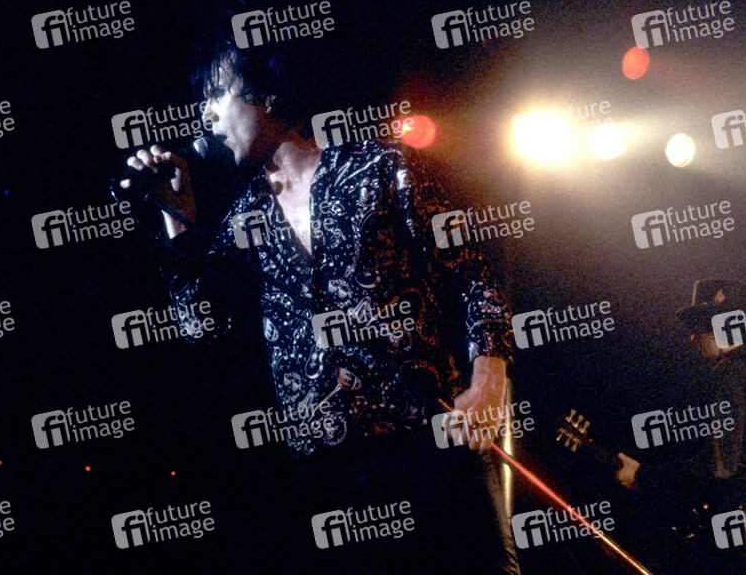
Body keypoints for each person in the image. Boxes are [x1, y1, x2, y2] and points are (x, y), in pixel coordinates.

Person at [125, 32, 519, 573]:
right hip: (329, 477)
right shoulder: (245, 220)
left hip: (428, 442)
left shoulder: (382, 168)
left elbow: (476, 273)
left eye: (217, 94)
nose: (206, 116)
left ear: (267, 94)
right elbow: (200, 327)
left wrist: (488, 380)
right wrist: (177, 217)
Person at [616, 279, 746, 575]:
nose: (695, 336)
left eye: (701, 325)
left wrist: (644, 475)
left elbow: (719, 466)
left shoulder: (729, 375)